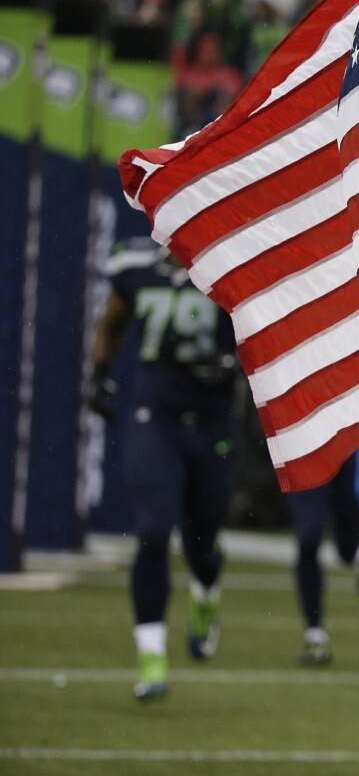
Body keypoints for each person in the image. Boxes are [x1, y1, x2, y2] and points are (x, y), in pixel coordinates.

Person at [86, 236, 238, 702]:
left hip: (212, 424)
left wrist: (234, 360)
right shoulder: (135, 265)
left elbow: (265, 331)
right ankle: (151, 656)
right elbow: (113, 320)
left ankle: (206, 592)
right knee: (153, 530)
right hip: (155, 418)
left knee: (201, 545)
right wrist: (100, 375)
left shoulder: (230, 262)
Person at [283, 454, 359, 664]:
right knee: (309, 536)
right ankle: (314, 632)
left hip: (342, 443)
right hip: (303, 449)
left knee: (350, 548)